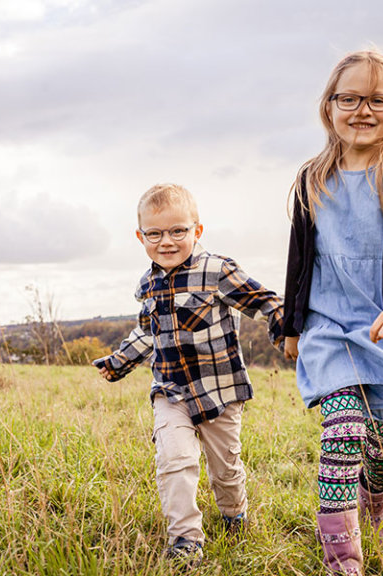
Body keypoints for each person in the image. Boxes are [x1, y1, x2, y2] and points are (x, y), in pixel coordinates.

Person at [282, 49, 383, 575]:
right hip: (328, 326)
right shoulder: (312, 177)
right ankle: (341, 558)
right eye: (349, 98)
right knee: (343, 430)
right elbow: (300, 256)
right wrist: (292, 323)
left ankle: (378, 504)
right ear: (329, 106)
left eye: (378, 99)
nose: (362, 110)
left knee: (380, 445)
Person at [93, 183, 284, 569]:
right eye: (155, 233)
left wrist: (283, 325)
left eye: (178, 231)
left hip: (220, 391)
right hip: (170, 391)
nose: (167, 241)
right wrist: (119, 361)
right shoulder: (147, 284)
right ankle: (185, 539)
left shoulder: (217, 270)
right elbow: (148, 332)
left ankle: (234, 514)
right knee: (174, 459)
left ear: (197, 230)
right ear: (140, 236)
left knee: (225, 468)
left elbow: (265, 301)